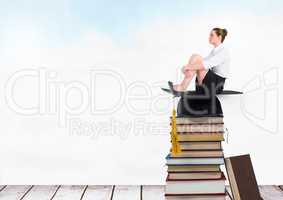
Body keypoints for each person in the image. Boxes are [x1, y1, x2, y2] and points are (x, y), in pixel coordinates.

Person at [170, 27, 230, 95]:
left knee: (196, 57)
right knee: (195, 58)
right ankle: (183, 86)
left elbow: (206, 65)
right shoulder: (214, 51)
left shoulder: (223, 52)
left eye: (212, 35)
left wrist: (188, 67)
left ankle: (182, 87)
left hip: (216, 86)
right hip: (209, 83)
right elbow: (202, 62)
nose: (209, 37)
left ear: (219, 37)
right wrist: (188, 68)